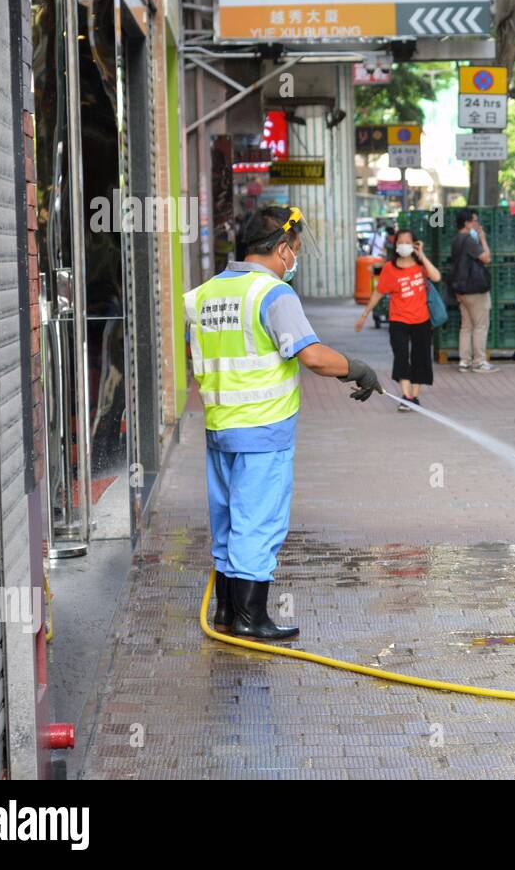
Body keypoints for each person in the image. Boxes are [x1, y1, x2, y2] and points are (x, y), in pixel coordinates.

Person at [184, 206, 383, 641]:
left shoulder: (203, 295)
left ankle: (226, 614)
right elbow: (310, 355)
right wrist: (356, 367)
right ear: (279, 249)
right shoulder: (272, 294)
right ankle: (252, 619)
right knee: (258, 523)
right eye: (293, 250)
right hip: (263, 429)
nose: (294, 258)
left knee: (228, 521)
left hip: (220, 428)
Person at [355, 229, 442, 410]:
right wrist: (364, 315)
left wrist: (422, 255)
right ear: (395, 245)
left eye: (407, 241)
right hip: (399, 320)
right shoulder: (389, 268)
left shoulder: (421, 266)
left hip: (421, 320)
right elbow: (378, 293)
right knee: (401, 357)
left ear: (414, 244)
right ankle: (406, 395)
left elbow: (437, 277)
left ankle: (414, 397)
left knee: (421, 358)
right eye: (400, 242)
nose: (403, 245)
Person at [448, 208, 499, 373]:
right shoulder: (469, 240)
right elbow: (486, 258)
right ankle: (479, 362)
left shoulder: (455, 240)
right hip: (475, 289)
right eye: (474, 221)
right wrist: (483, 239)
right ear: (467, 223)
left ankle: (464, 361)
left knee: (466, 326)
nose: (477, 224)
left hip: (460, 289)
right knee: (480, 326)